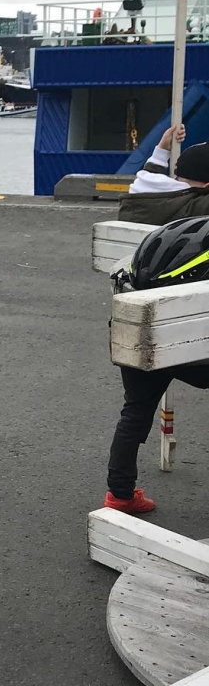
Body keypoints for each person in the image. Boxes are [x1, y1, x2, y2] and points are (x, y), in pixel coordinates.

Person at [106, 216, 209, 513]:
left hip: (140, 325)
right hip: (193, 341)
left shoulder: (138, 268)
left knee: (135, 410)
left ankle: (120, 495)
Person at [118, 123, 209, 224]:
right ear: (206, 186)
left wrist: (161, 151)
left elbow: (150, 176)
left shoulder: (138, 198)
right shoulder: (195, 208)